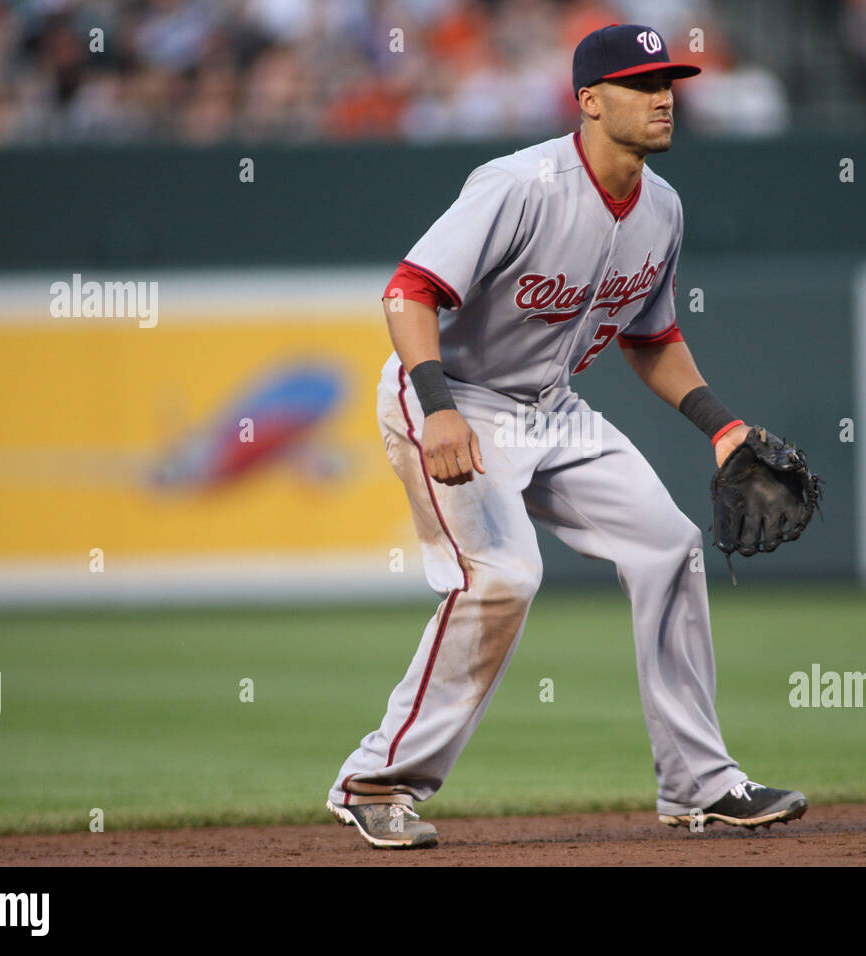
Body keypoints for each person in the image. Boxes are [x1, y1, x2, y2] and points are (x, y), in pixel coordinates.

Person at [328, 23, 807, 849]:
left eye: (669, 81)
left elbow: (650, 339)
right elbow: (408, 292)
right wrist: (435, 405)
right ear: (589, 101)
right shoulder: (520, 184)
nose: (664, 96)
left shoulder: (662, 207)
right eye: (641, 83)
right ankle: (378, 780)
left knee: (671, 546)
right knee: (503, 577)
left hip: (552, 409)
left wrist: (721, 427)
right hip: (455, 399)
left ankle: (700, 785)